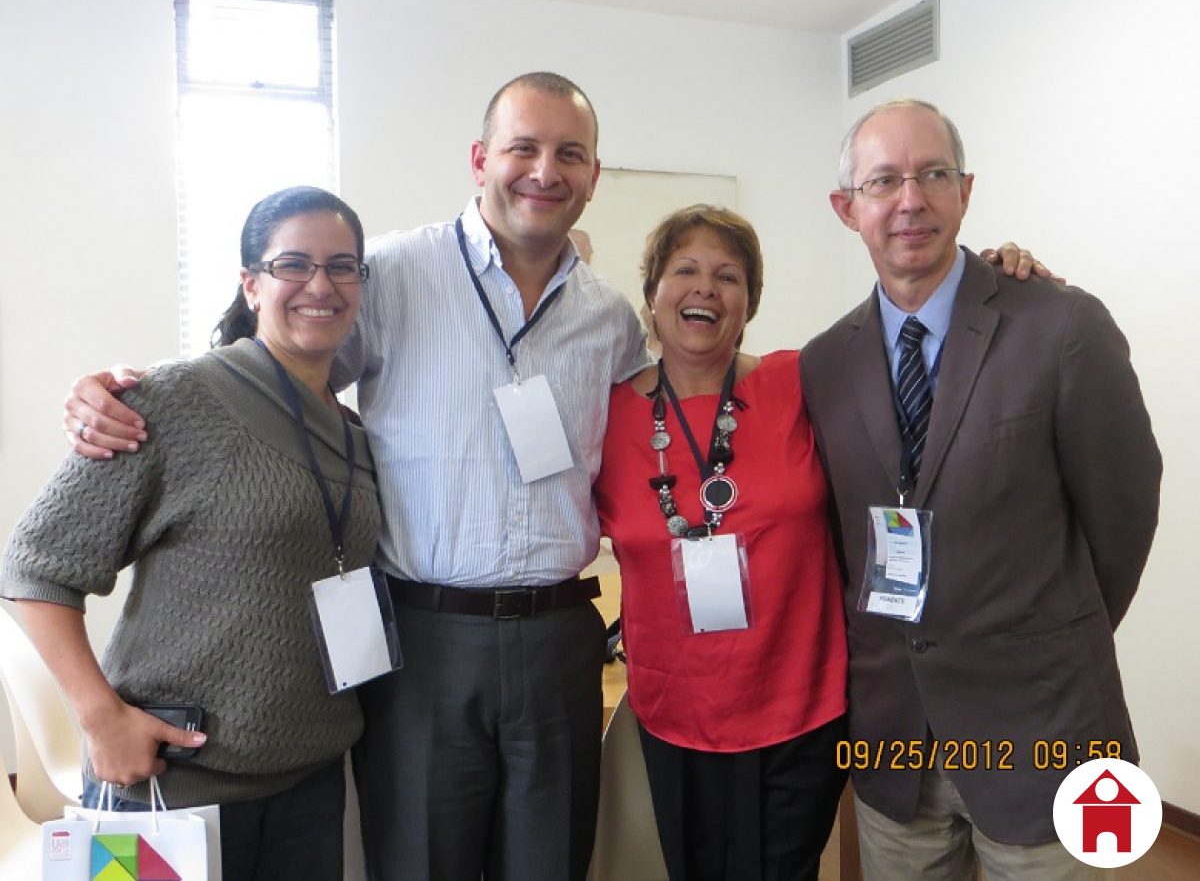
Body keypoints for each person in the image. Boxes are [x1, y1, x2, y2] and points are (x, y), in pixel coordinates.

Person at [58, 73, 1050, 880]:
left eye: (569, 154)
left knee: (551, 862)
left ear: (592, 177)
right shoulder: (389, 275)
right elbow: (281, 363)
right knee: (424, 862)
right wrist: (137, 389)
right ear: (480, 159)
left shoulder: (609, 321)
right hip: (425, 638)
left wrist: (987, 278)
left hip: (560, 643)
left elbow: (739, 390)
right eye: (523, 148)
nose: (544, 170)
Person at [801, 99, 1161, 880]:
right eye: (883, 181)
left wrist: (1048, 635)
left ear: (964, 191)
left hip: (1047, 730)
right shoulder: (824, 364)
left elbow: (1124, 512)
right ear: (847, 208)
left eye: (933, 174)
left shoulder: (1061, 326)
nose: (910, 200)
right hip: (897, 744)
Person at [1, 186, 381, 881]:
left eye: (342, 267)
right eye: (293, 264)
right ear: (251, 283)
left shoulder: (354, 433)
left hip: (310, 782)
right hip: (169, 787)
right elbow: (35, 566)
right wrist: (99, 717)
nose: (320, 285)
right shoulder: (174, 400)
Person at [594, 205, 847, 881]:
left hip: (802, 704)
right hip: (676, 713)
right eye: (685, 270)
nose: (705, 287)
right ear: (652, 296)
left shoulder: (800, 383)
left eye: (728, 276)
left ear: (749, 303)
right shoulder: (606, 414)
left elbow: (911, 352)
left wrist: (997, 279)